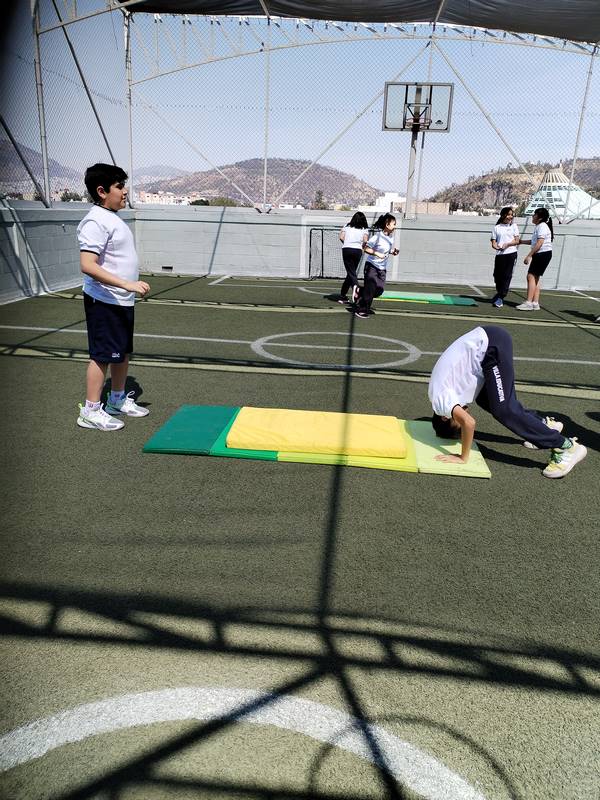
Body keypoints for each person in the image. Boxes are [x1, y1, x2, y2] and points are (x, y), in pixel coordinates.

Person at [428, 325, 587, 478]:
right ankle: (543, 425)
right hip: (486, 345)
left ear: (445, 417)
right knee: (485, 400)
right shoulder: (441, 395)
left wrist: (463, 457)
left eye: (458, 424)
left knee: (504, 410)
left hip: (490, 347)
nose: (463, 419)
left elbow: (469, 423)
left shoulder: (441, 402)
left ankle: (565, 447)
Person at [76, 163, 151, 431]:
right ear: (102, 191)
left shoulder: (111, 218)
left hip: (120, 300)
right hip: (104, 300)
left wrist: (126, 289)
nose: (125, 191)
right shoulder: (95, 221)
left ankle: (116, 400)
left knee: (122, 352)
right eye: (119, 186)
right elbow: (88, 265)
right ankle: (90, 411)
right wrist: (126, 284)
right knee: (102, 355)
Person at [355, 213, 399, 319]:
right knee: (370, 288)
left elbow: (386, 250)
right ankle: (362, 309)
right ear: (387, 225)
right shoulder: (377, 237)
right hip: (372, 266)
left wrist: (392, 251)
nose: (395, 226)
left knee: (379, 290)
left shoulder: (390, 238)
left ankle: (360, 291)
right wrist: (377, 253)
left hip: (382, 269)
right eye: (394, 224)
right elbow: (365, 248)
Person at [516, 207, 554, 311]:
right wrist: (521, 242)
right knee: (535, 277)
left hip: (542, 254)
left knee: (530, 276)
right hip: (543, 254)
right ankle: (535, 303)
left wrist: (529, 255)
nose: (533, 216)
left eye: (534, 215)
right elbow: (534, 242)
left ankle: (528, 302)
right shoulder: (540, 226)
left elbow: (540, 243)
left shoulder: (542, 226)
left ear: (539, 217)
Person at [490, 206, 520, 308]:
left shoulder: (514, 226)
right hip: (500, 255)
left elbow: (517, 240)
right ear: (503, 215)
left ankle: (501, 297)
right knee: (497, 276)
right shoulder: (497, 227)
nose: (510, 217)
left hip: (511, 254)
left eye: (511, 215)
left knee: (506, 276)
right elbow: (493, 242)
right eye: (508, 214)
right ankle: (499, 293)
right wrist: (496, 246)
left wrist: (508, 244)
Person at [338, 212, 369, 304]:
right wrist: (361, 247)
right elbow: (365, 240)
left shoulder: (346, 226)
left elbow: (341, 237)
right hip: (357, 250)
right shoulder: (364, 229)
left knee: (350, 273)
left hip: (346, 249)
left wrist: (348, 243)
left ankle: (346, 294)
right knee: (351, 272)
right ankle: (353, 289)